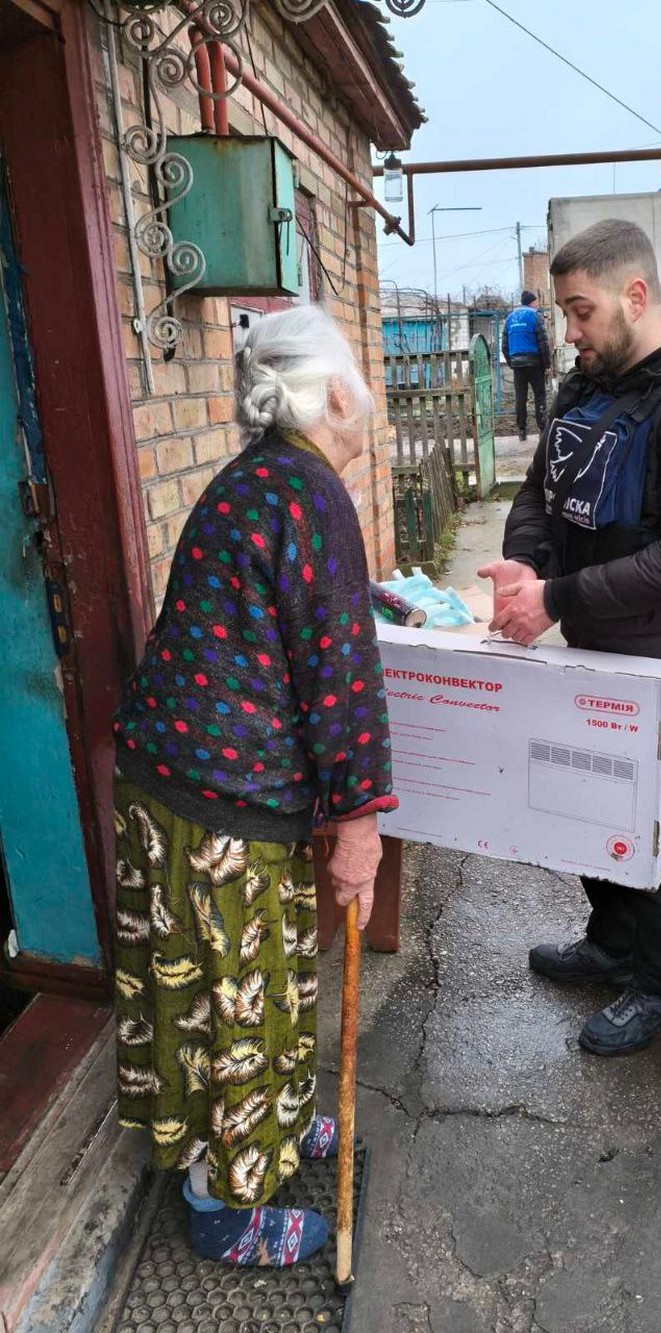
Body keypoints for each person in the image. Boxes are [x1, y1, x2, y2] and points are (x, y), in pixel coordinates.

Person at [112, 305, 396, 1265]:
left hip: (177, 791)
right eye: (360, 381)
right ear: (336, 395)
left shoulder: (255, 479)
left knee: (241, 987)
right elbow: (340, 676)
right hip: (218, 812)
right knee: (242, 997)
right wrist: (359, 823)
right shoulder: (309, 495)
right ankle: (225, 1204)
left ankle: (267, 1123)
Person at [479, 219, 661, 1057]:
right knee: (588, 803)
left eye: (580, 311)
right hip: (593, 639)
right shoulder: (589, 386)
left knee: (657, 823)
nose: (568, 332)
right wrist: (524, 567)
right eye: (565, 313)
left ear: (636, 297)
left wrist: (554, 597)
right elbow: (543, 490)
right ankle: (610, 942)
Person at [502, 289, 551, 442]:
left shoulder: (510, 318)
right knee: (540, 395)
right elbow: (543, 342)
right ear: (531, 302)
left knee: (520, 397)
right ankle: (542, 429)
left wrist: (511, 362)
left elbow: (504, 345)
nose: (537, 304)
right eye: (536, 302)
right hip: (535, 362)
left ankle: (522, 431)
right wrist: (547, 364)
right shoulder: (535, 316)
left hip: (517, 363)